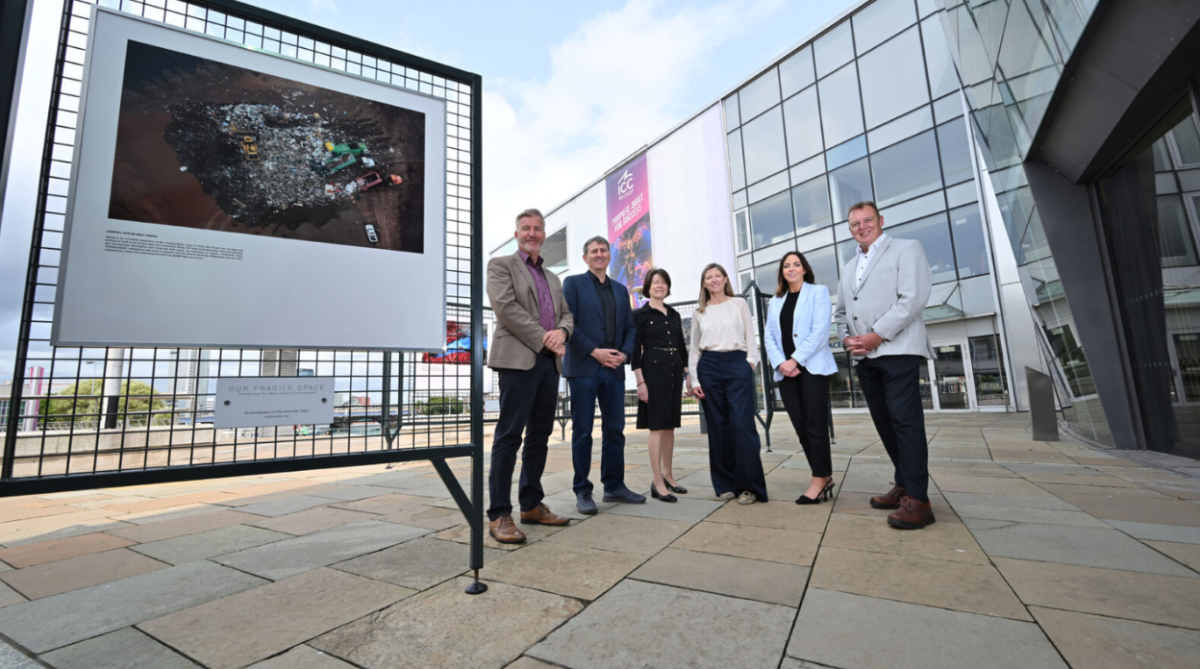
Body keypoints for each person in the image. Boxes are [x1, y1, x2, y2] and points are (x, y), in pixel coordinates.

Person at [834, 201, 936, 529]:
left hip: (898, 350)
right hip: (865, 357)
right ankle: (904, 484)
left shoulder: (907, 249)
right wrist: (848, 339)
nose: (861, 227)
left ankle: (919, 501)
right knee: (885, 424)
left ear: (880, 221)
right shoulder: (849, 267)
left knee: (906, 423)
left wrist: (877, 335)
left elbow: (914, 298)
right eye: (854, 224)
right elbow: (840, 313)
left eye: (867, 221)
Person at [484, 208, 574, 543]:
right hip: (517, 360)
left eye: (537, 229)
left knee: (540, 436)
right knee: (509, 436)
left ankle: (531, 504)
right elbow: (506, 308)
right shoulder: (500, 265)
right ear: (516, 233)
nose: (531, 233)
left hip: (549, 363)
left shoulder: (553, 278)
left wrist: (561, 333)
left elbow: (566, 314)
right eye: (525, 228)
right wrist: (543, 336)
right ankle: (498, 514)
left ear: (544, 234)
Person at [562, 236, 644, 515]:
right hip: (585, 367)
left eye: (603, 250)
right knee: (582, 431)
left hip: (614, 369)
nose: (599, 254)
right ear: (585, 257)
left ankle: (614, 486)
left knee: (615, 430)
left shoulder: (621, 290)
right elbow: (568, 322)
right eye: (593, 251)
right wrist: (595, 352)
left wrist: (624, 354)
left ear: (610, 256)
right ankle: (583, 490)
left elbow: (631, 329)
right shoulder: (573, 284)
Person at [689, 263, 768, 505]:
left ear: (725, 279)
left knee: (742, 425)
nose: (713, 280)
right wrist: (694, 378)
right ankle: (725, 484)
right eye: (708, 277)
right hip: (709, 366)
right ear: (704, 283)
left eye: (717, 276)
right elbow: (694, 348)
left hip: (737, 362)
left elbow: (750, 337)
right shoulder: (699, 312)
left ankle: (749, 487)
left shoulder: (738, 304)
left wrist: (750, 363)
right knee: (718, 427)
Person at [763, 251, 838, 505]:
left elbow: (820, 331)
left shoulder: (818, 293)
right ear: (782, 272)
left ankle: (818, 480)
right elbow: (769, 337)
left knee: (815, 425)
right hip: (785, 372)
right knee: (801, 426)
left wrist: (795, 360)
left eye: (796, 264)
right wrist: (781, 364)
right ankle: (824, 476)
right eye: (786, 265)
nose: (791, 269)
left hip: (812, 368)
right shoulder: (775, 301)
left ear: (804, 269)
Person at [631, 268, 689, 503]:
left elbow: (682, 347)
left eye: (664, 282)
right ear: (648, 286)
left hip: (674, 370)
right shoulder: (640, 314)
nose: (660, 285)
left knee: (670, 426)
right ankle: (657, 481)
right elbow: (635, 350)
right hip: (652, 371)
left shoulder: (674, 314)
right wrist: (640, 381)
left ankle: (668, 475)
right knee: (657, 426)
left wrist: (687, 376)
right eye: (655, 282)